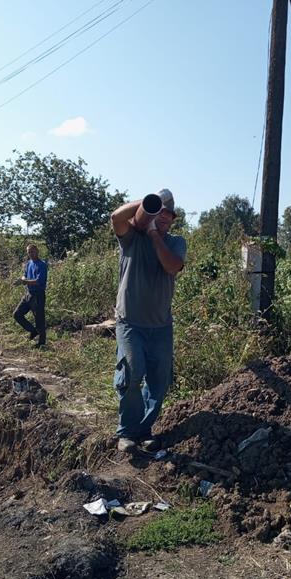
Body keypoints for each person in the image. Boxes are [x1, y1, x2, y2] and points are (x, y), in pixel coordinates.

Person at [110, 189, 187, 453]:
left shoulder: (176, 243)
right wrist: (143, 206)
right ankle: (127, 432)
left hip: (161, 326)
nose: (165, 217)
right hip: (130, 322)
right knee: (132, 372)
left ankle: (144, 430)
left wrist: (154, 234)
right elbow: (116, 217)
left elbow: (171, 266)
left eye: (169, 214)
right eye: (160, 212)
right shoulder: (132, 239)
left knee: (158, 381)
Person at [13, 244, 48, 347]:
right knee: (17, 314)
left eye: (32, 251)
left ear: (37, 251)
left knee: (39, 319)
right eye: (29, 252)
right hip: (28, 294)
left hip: (38, 295)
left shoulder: (42, 265)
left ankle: (41, 343)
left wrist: (25, 281)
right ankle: (33, 331)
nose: (31, 254)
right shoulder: (29, 263)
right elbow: (25, 274)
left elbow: (38, 281)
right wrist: (23, 279)